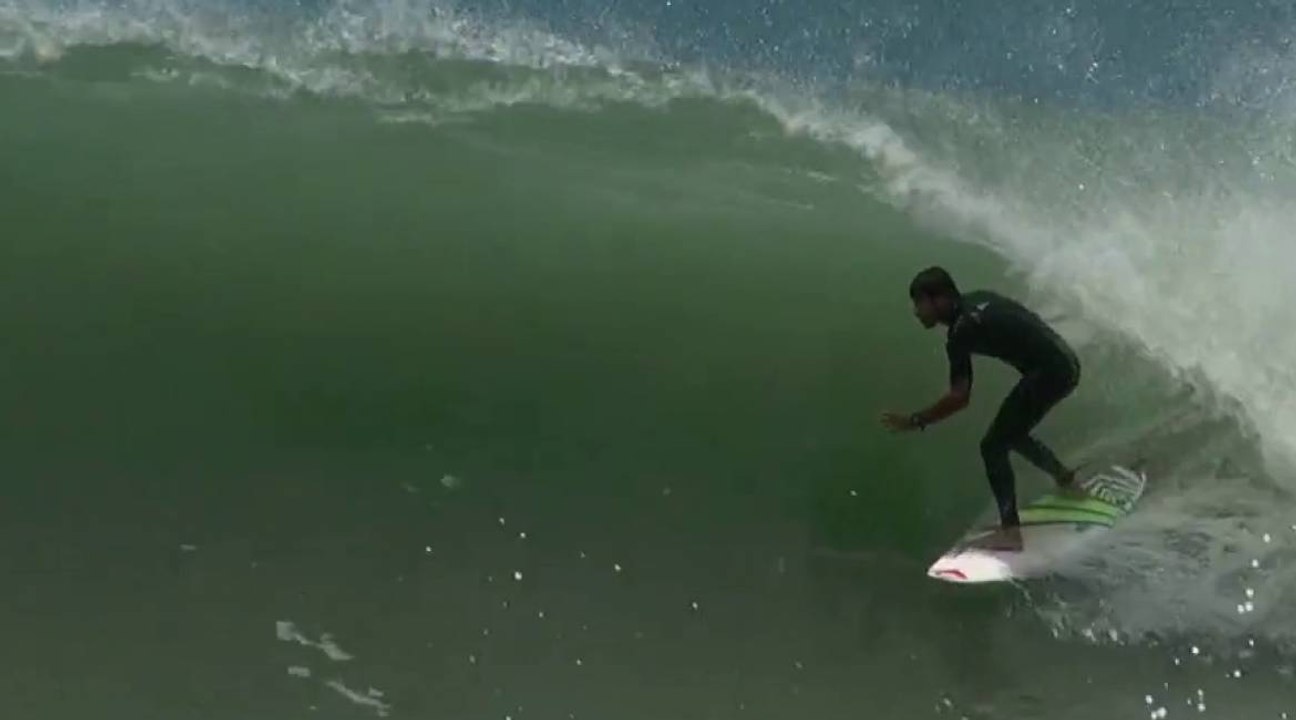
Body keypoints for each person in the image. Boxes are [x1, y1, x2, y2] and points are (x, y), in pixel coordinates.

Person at [881, 266, 1086, 551]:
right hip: (1066, 361)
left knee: (992, 446)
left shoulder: (961, 331)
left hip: (1050, 372)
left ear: (940, 299)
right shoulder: (979, 297)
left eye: (920, 303)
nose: (916, 312)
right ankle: (1066, 479)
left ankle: (1010, 532)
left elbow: (959, 397)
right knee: (1011, 434)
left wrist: (915, 420)